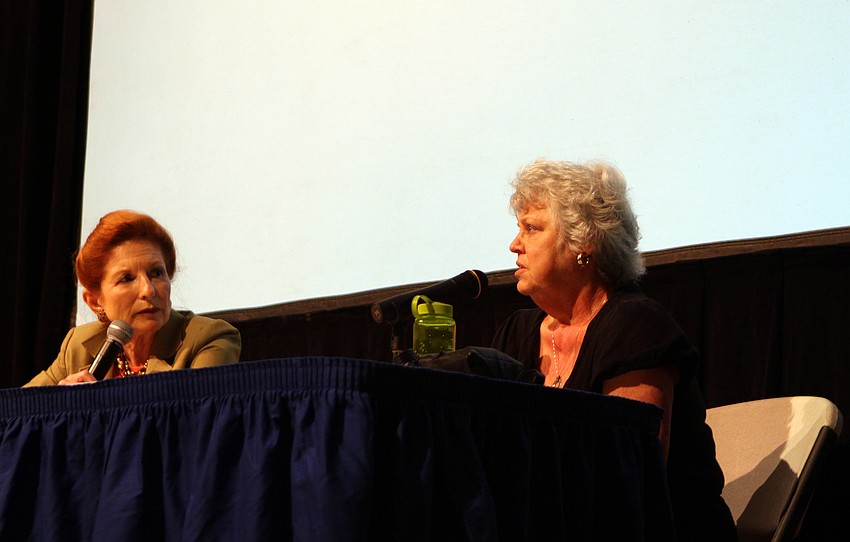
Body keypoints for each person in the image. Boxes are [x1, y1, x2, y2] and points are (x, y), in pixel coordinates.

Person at [490, 159, 738, 541]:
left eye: (531, 228)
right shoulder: (517, 333)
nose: (514, 244)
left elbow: (632, 471)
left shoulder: (635, 325)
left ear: (582, 243)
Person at [25, 210, 241, 386]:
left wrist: (95, 408)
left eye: (156, 273)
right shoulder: (78, 347)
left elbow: (194, 422)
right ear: (95, 301)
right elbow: (16, 416)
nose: (148, 290)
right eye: (127, 278)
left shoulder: (209, 339)